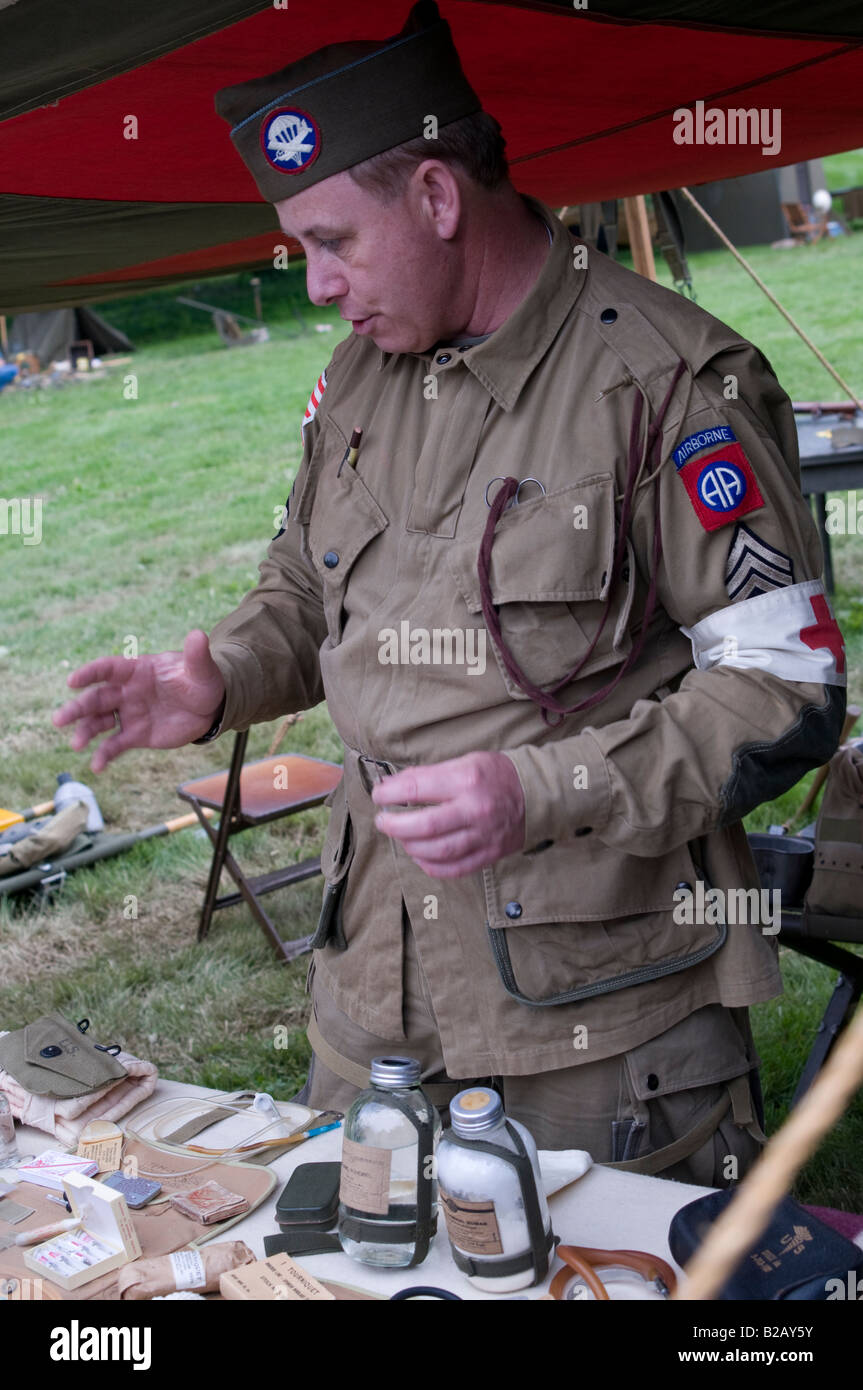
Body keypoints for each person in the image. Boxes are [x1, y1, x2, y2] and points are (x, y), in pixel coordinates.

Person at [53, 1, 845, 1184]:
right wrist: (214, 674)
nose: (316, 283)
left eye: (334, 241)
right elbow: (307, 588)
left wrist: (536, 790)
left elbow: (788, 689)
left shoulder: (668, 383)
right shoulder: (362, 377)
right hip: (373, 972)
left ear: (434, 198)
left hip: (597, 1006)